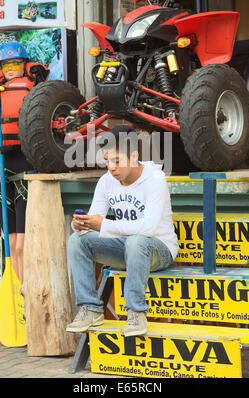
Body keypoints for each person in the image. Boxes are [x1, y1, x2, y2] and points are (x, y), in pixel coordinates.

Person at [66, 124, 179, 337]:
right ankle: (90, 309)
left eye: (116, 160)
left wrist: (104, 225)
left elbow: (148, 228)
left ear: (134, 156)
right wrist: (80, 224)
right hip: (126, 248)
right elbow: (94, 220)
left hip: (158, 249)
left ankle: (136, 312)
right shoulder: (106, 181)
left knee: (136, 241)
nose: (110, 167)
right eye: (107, 160)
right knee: (76, 241)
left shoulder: (155, 178)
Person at [0, 41, 49, 284]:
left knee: (23, 243)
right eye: (6, 64)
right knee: (10, 241)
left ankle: (28, 290)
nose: (10, 69)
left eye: (16, 63)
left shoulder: (34, 89)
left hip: (24, 166)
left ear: (24, 64)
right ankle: (19, 292)